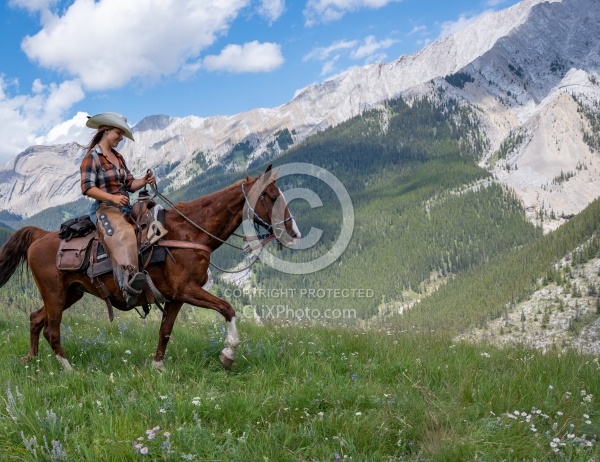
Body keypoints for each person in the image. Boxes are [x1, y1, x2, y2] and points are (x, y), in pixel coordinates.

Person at [80, 112, 156, 306]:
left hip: (124, 207)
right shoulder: (93, 157)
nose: (121, 138)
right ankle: (127, 284)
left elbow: (130, 184)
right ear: (106, 131)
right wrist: (113, 197)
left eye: (122, 134)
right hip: (104, 209)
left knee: (155, 223)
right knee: (124, 233)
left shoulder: (118, 157)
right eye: (118, 133)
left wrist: (144, 181)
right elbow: (87, 188)